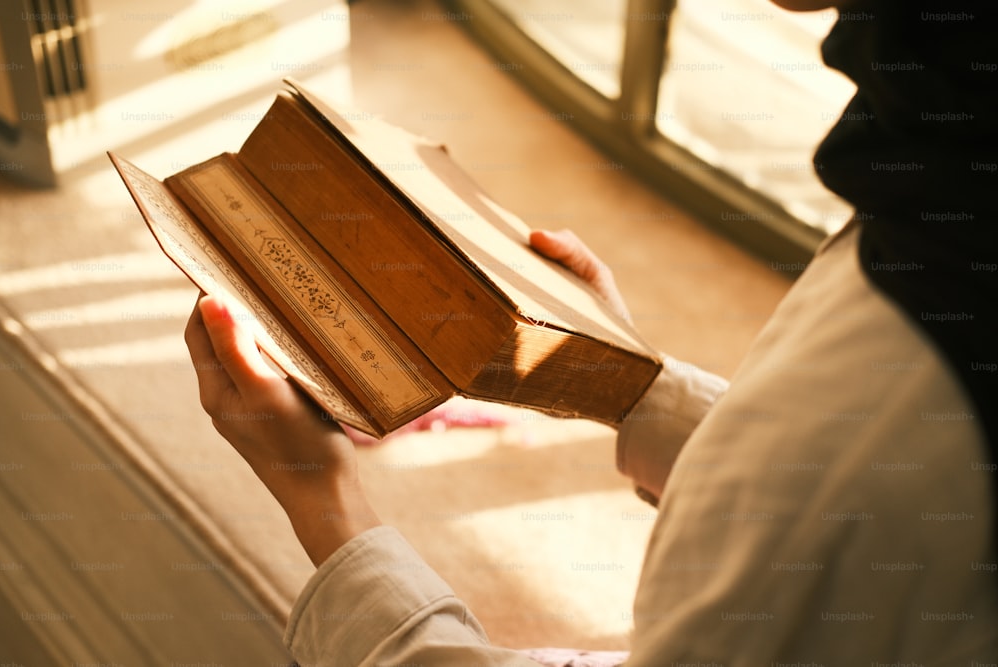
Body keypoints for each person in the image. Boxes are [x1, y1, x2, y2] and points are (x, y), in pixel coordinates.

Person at [183, 0, 998, 664]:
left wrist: (322, 498)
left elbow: (817, 485)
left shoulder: (862, 449)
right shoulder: (948, 159)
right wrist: (624, 382)